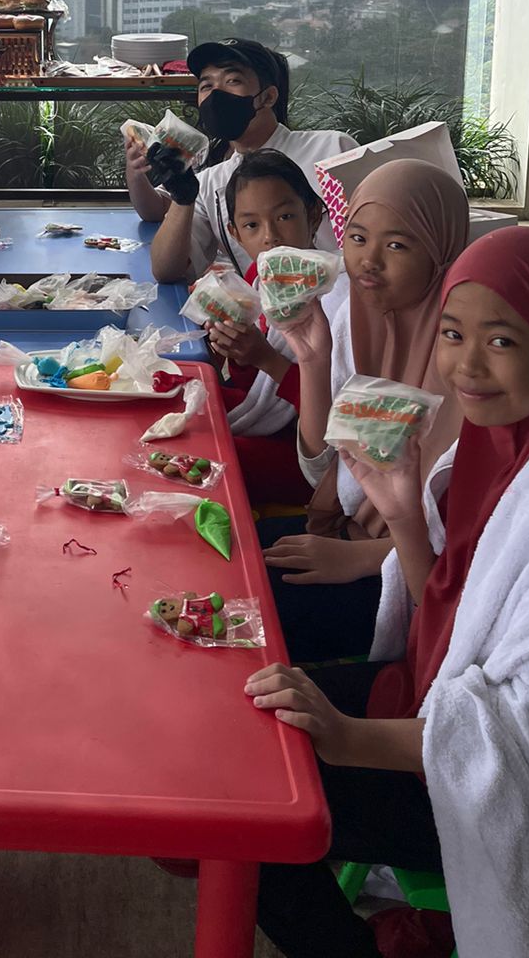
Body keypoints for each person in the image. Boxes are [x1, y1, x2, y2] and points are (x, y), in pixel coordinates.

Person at [246, 227, 529, 958]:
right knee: (242, 730)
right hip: (433, 709)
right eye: (454, 334)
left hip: (521, 797)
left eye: (502, 341)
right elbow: (456, 611)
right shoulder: (511, 437)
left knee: (254, 807)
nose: (466, 365)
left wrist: (349, 737)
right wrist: (402, 514)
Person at [258, 160, 468, 663]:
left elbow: (472, 546)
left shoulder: (467, 356)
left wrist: (360, 558)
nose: (367, 261)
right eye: (356, 237)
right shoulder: (359, 314)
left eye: (397, 245)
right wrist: (313, 360)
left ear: (440, 250)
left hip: (412, 583)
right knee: (210, 559)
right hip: (348, 532)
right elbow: (322, 468)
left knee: (248, 623)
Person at [143, 39, 355, 283]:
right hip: (274, 317)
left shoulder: (333, 149)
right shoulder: (209, 184)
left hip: (349, 307)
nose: (216, 94)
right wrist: (182, 199)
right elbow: (166, 270)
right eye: (206, 85)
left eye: (233, 81)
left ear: (267, 97)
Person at [205, 150, 349, 505]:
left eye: (285, 216)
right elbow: (252, 388)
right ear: (234, 233)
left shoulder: (336, 295)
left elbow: (333, 416)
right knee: (182, 399)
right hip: (266, 422)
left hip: (308, 455)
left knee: (208, 462)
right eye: (252, 225)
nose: (270, 237)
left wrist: (265, 357)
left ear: (313, 215)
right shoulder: (256, 280)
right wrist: (232, 348)